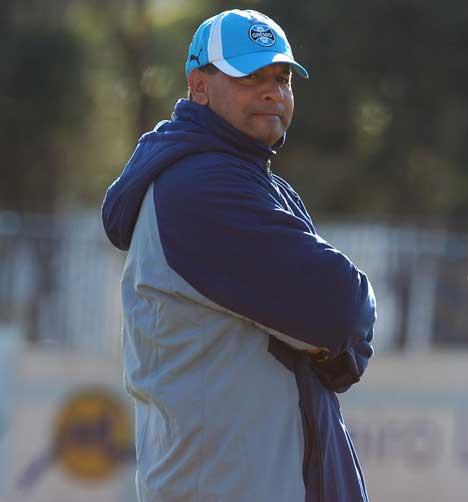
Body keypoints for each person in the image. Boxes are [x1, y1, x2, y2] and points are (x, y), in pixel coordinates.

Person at [102, 9, 376, 502]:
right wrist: (328, 339)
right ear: (199, 87)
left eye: (282, 78)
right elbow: (343, 306)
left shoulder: (256, 185)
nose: (272, 92)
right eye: (250, 77)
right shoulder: (201, 187)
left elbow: (346, 351)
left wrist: (332, 340)